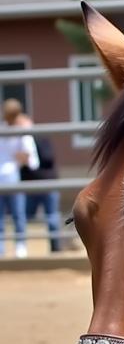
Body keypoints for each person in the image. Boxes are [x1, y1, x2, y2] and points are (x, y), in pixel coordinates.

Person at [16, 108, 61, 252]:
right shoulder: (18, 141)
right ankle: (21, 248)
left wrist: (28, 157)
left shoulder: (40, 137)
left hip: (47, 184)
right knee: (24, 216)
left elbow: (48, 158)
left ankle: (56, 248)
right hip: (30, 187)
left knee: (51, 217)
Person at [1, 98, 38, 258]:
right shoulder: (2, 128)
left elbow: (31, 160)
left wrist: (22, 158)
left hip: (13, 178)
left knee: (18, 214)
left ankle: (20, 246)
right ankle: (2, 247)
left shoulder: (23, 131)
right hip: (2, 178)